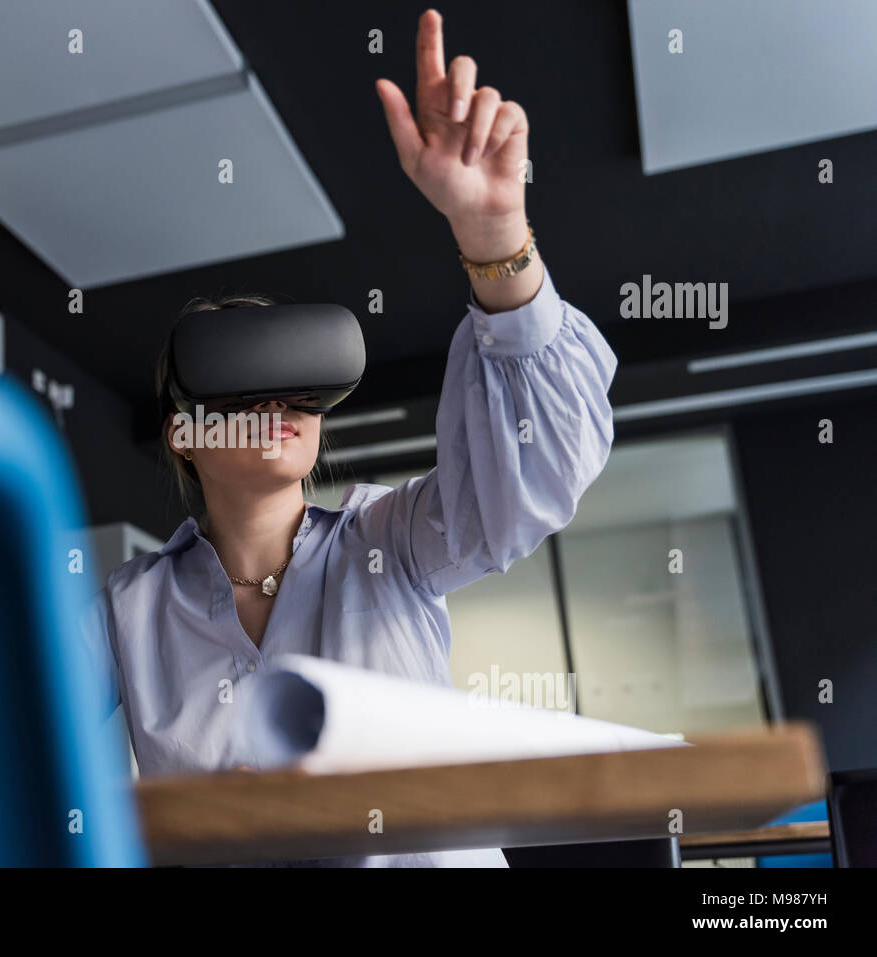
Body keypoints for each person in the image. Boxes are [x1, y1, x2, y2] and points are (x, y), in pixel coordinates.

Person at [78, 9, 617, 866]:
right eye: (242, 382)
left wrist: (493, 237)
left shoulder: (392, 545)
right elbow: (11, 726)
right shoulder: (125, 613)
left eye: (299, 385)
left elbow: (538, 480)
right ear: (185, 433)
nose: (282, 402)